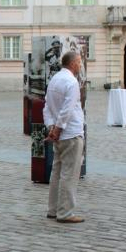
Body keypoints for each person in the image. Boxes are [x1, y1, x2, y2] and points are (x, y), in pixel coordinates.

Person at [44, 51, 85, 223]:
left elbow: (47, 106)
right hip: (71, 133)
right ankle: (65, 213)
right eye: (80, 62)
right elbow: (67, 109)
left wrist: (51, 127)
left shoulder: (54, 79)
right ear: (74, 63)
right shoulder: (71, 82)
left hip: (59, 133)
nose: (81, 65)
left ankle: (53, 209)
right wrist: (59, 128)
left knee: (57, 172)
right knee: (70, 173)